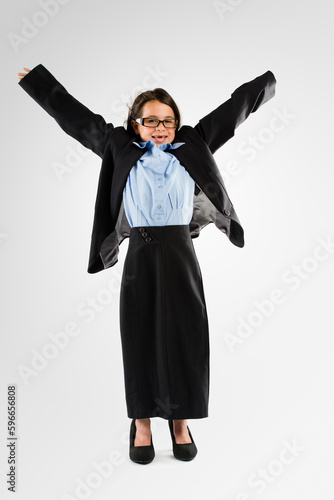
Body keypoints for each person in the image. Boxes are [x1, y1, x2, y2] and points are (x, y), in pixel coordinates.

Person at [18, 65, 276, 464]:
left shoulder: (194, 142)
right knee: (139, 334)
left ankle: (180, 422)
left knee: (187, 334)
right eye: (151, 119)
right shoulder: (117, 145)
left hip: (180, 253)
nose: (161, 126)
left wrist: (267, 81)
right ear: (135, 124)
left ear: (177, 123)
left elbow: (233, 110)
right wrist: (36, 81)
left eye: (168, 120)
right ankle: (141, 422)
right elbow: (75, 118)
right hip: (140, 252)